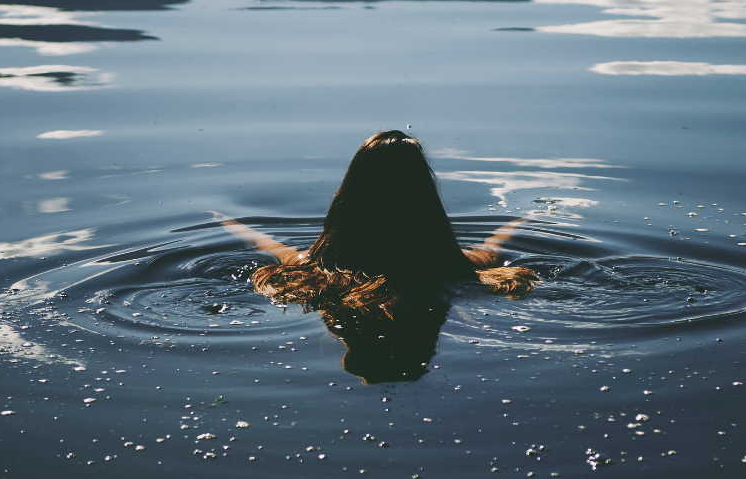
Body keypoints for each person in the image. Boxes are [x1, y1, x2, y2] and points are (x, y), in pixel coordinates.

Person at [211, 129, 539, 381]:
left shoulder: (314, 269)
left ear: (349, 199)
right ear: (426, 202)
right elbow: (496, 245)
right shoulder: (458, 268)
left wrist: (226, 221)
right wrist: (529, 217)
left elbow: (271, 247)